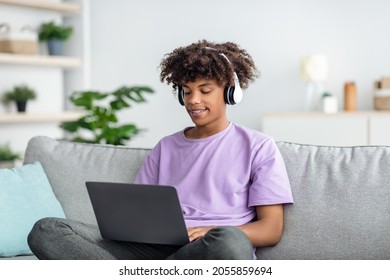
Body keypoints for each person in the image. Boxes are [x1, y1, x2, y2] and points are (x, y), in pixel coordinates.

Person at [28, 40, 293, 260]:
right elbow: (138, 214)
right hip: (152, 248)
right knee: (47, 229)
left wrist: (212, 230)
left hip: (210, 247)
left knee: (231, 242)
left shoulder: (258, 147)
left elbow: (271, 229)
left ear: (229, 92)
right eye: (186, 92)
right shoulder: (166, 147)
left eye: (205, 90)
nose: (193, 101)